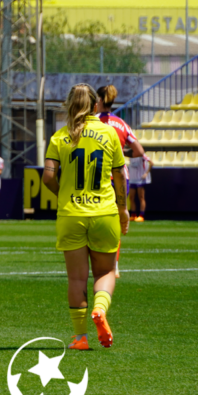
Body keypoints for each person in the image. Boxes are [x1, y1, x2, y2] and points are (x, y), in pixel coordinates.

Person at [42, 84, 129, 351]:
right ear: (95, 105)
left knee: (77, 279)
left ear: (69, 105)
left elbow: (47, 177)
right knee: (105, 272)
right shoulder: (109, 133)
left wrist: (64, 194)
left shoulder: (59, 137)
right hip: (104, 212)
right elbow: (120, 175)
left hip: (71, 214)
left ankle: (80, 338)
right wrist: (123, 209)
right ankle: (100, 309)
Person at [95, 85, 145, 280]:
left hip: (101, 176)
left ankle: (95, 263)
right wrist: (122, 152)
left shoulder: (93, 122)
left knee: (95, 221)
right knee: (115, 223)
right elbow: (139, 151)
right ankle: (114, 267)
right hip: (121, 177)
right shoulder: (122, 124)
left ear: (99, 100)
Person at [127, 153, 152, 222]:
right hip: (132, 179)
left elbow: (151, 163)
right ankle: (133, 215)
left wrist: (146, 173)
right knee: (131, 197)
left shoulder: (142, 155)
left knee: (141, 197)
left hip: (140, 179)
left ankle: (141, 215)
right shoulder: (130, 155)